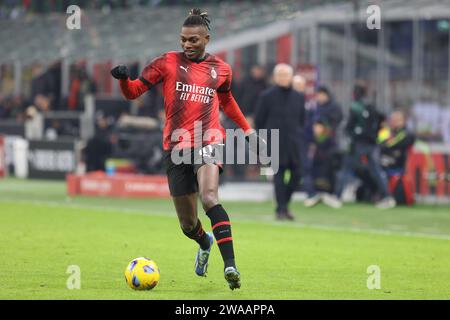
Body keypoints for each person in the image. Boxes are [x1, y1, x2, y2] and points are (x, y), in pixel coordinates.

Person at [110, 8, 265, 290]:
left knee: (209, 197)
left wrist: (247, 131)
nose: (187, 44)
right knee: (187, 224)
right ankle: (203, 242)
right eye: (183, 39)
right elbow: (133, 91)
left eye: (193, 40)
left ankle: (230, 265)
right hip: (177, 145)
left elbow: (227, 101)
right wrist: (123, 79)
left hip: (209, 140)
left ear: (207, 38)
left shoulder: (221, 69)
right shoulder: (167, 62)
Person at [254, 64, 305, 221]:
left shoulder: (299, 97)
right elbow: (259, 120)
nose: (283, 78)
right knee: (279, 176)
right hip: (274, 142)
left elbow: (302, 120)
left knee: (297, 175)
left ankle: (284, 205)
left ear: (291, 77)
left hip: (294, 143)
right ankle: (282, 209)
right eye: (280, 75)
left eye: (286, 75)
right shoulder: (266, 96)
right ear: (275, 77)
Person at [335, 83, 396, 209]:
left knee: (346, 169)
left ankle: (337, 196)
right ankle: (387, 196)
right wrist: (376, 137)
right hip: (372, 144)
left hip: (358, 143)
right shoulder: (371, 106)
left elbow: (348, 127)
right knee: (377, 171)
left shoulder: (356, 107)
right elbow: (382, 121)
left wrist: (352, 135)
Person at [303, 86, 343, 208]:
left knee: (333, 171)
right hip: (315, 145)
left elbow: (335, 123)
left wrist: (324, 130)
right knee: (310, 169)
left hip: (329, 145)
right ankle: (313, 194)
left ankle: (333, 195)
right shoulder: (315, 108)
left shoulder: (334, 108)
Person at [378, 111, 416, 205]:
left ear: (403, 121)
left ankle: (388, 198)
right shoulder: (386, 131)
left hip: (397, 164)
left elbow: (390, 144)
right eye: (392, 120)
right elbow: (378, 143)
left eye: (396, 120)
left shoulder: (406, 133)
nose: (393, 122)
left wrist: (384, 145)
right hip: (383, 161)